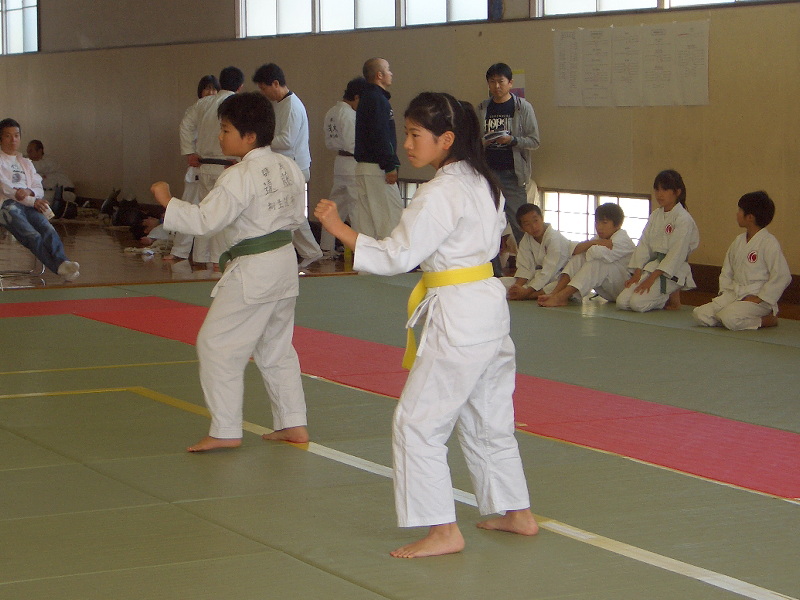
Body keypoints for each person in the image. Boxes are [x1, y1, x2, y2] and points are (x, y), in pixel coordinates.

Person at [315, 92, 538, 559]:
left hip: (458, 313)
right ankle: (515, 511)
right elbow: (495, 237)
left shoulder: (440, 192)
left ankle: (442, 530)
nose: (408, 144)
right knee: (488, 416)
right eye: (408, 133)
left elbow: (398, 255)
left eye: (416, 135)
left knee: (418, 423)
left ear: (447, 139)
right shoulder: (484, 181)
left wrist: (340, 229)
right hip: (488, 307)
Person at [151, 92, 310, 452]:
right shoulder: (290, 167)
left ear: (249, 136)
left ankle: (225, 430)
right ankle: (293, 423)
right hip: (284, 264)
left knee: (217, 345)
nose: (220, 137)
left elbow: (206, 221)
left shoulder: (240, 175)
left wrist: (166, 201)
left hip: (255, 270)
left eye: (225, 129)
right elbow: (298, 218)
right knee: (276, 347)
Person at [253, 63, 323, 269]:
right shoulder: (280, 104)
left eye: (264, 88)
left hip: (294, 167)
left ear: (275, 83)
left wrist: (261, 140)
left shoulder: (292, 105)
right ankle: (311, 251)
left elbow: (286, 141)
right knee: (290, 212)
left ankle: (307, 252)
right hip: (284, 167)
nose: (263, 93)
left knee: (289, 213)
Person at [693, 191, 790, 330]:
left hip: (757, 299)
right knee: (699, 314)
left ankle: (766, 320)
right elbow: (727, 271)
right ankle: (727, 316)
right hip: (734, 294)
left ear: (750, 217)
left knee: (729, 318)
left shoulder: (769, 243)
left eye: (740, 210)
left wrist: (759, 298)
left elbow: (783, 276)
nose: (737, 214)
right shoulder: (738, 241)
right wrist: (726, 292)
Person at [179, 66, 244, 266]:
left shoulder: (203, 103)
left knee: (206, 213)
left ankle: (200, 258)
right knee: (223, 215)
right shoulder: (237, 104)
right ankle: (218, 260)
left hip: (205, 166)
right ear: (240, 87)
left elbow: (185, 125)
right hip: (227, 166)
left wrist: (190, 152)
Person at [0, 118, 80, 280]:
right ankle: (57, 267)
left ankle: (63, 262)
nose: (13, 140)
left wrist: (32, 193)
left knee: (47, 229)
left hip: (29, 204)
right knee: (32, 235)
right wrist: (31, 200)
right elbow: (7, 189)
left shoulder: (25, 162)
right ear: (1, 138)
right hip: (7, 206)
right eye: (8, 136)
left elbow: (38, 187)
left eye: (16, 135)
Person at [617, 170, 699, 312]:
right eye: (657, 189)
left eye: (665, 189)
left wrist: (651, 279)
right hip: (652, 267)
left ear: (677, 192)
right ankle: (663, 294)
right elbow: (644, 244)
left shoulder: (683, 219)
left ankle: (665, 296)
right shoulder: (656, 215)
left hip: (672, 271)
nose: (660, 194)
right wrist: (638, 272)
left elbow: (676, 254)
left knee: (637, 304)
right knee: (622, 302)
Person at [477, 62, 540, 245]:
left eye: (501, 81)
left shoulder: (522, 107)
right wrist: (485, 141)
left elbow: (534, 141)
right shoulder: (482, 108)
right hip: (488, 174)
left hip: (513, 174)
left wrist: (512, 140)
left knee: (522, 223)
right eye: (492, 81)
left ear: (510, 83)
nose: (496, 86)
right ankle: (494, 267)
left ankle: (529, 265)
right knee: (488, 223)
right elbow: (474, 141)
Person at [166, 75, 221, 262]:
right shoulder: (196, 109)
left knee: (211, 212)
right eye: (207, 88)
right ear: (200, 92)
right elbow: (185, 128)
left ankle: (208, 256)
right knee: (188, 207)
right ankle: (179, 250)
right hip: (198, 167)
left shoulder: (221, 109)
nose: (210, 92)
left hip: (215, 166)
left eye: (214, 89)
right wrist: (190, 153)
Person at [538, 203, 634, 306]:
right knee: (578, 258)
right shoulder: (599, 239)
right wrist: (594, 243)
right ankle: (555, 293)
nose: (599, 227)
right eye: (597, 223)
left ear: (617, 224)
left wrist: (590, 246)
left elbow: (595, 253)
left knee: (597, 263)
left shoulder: (622, 239)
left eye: (604, 223)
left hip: (624, 287)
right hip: (608, 289)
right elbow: (577, 250)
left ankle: (561, 297)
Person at [352, 57, 404, 240]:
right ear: (379, 75)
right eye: (388, 70)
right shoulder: (378, 100)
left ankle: (369, 267)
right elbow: (382, 135)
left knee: (367, 224)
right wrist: (390, 164)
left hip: (362, 168)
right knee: (391, 221)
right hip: (378, 168)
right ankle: (393, 267)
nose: (391, 74)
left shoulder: (365, 98)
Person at [320, 76, 367, 258]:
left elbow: (329, 141)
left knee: (336, 205)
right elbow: (351, 143)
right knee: (356, 207)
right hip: (351, 162)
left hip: (339, 162)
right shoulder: (349, 114)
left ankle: (326, 247)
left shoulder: (332, 111)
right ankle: (357, 248)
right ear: (356, 97)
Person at [505, 203, 572, 301]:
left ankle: (530, 295)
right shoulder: (526, 240)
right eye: (527, 224)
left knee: (557, 285)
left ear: (542, 218)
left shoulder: (554, 238)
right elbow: (525, 268)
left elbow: (549, 271)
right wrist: (516, 287)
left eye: (536, 221)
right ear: (521, 228)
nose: (533, 226)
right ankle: (521, 294)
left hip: (560, 275)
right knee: (502, 283)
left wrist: (526, 292)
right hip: (538, 276)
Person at [25, 139, 77, 210]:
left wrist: (20, 160)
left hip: (65, 193)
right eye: (28, 152)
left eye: (30, 151)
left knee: (38, 198)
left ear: (39, 151)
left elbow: (33, 167)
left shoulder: (49, 162)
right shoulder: (36, 164)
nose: (28, 154)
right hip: (52, 192)